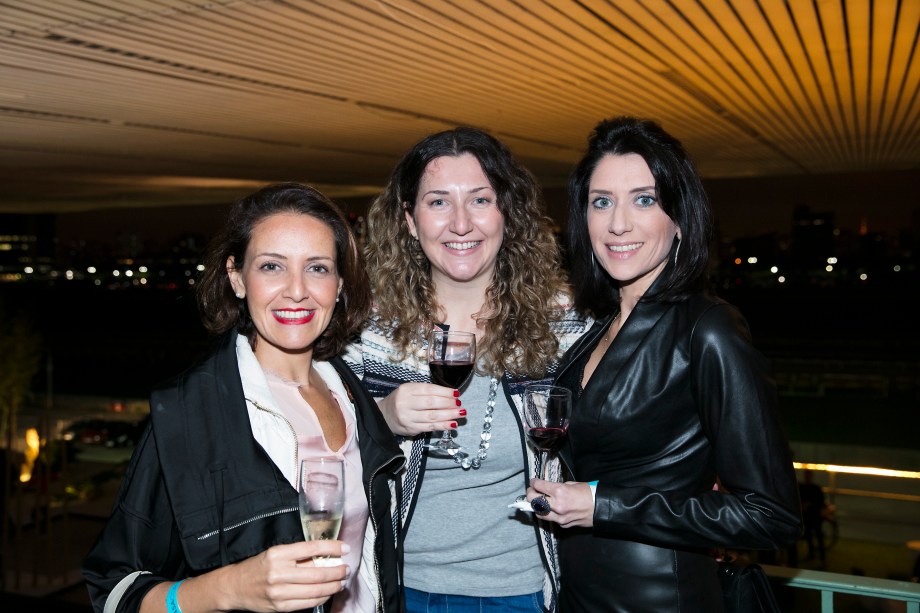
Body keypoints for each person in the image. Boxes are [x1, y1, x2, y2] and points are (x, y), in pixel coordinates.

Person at [82, 183, 406, 613]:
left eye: (318, 268)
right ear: (236, 277)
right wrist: (230, 588)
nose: (296, 290)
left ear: (340, 283)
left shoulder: (352, 394)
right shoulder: (188, 415)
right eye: (272, 267)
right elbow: (113, 591)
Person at [525, 116, 802, 611]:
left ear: (679, 217)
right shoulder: (600, 324)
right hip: (579, 594)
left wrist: (602, 505)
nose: (617, 223)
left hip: (658, 599)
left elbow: (770, 514)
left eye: (644, 200)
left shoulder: (707, 329)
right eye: (601, 201)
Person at [344, 127, 591, 612]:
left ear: (508, 214)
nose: (461, 224)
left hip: (520, 591)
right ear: (409, 221)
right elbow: (311, 452)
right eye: (438, 202)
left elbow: (621, 435)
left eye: (480, 199)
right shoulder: (364, 330)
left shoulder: (565, 323)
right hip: (393, 589)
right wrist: (383, 418)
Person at [799, 469, 827, 566]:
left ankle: (820, 557)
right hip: (810, 516)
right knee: (811, 536)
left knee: (816, 536)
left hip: (813, 516)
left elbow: (820, 502)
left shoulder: (812, 488)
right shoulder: (807, 488)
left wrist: (808, 505)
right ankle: (815, 555)